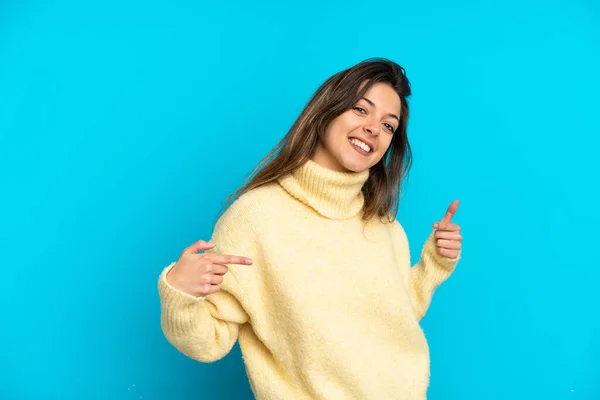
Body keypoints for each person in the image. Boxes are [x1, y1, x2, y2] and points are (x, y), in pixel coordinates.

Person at [157, 58, 463, 399]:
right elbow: (207, 341)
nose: (374, 129)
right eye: (361, 110)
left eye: (389, 126)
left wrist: (433, 265)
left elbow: (394, 321)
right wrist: (179, 291)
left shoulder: (385, 227)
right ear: (327, 111)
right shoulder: (256, 219)